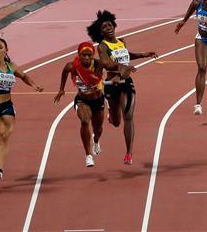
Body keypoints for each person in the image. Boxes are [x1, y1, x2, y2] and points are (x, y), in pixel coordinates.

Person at [89, 10, 155, 165]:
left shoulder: (122, 41)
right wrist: (121, 67)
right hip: (111, 85)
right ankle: (111, 116)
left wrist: (143, 54)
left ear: (114, 25)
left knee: (129, 117)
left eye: (110, 25)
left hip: (126, 83)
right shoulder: (102, 46)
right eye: (104, 27)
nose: (108, 28)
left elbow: (126, 54)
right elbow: (105, 63)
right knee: (117, 122)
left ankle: (129, 153)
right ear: (101, 32)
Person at [0, 39, 43, 180]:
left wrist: (34, 85)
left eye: (0, 47)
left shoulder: (11, 67)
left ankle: (0, 169)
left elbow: (24, 76)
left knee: (4, 135)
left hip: (6, 106)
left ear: (6, 50)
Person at [55, 42, 123, 167]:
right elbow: (64, 72)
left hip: (98, 100)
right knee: (85, 121)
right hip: (82, 100)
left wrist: (119, 76)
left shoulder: (99, 64)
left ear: (93, 55)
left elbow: (114, 67)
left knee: (98, 130)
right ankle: (88, 155)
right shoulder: (71, 66)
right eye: (83, 55)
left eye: (89, 55)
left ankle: (96, 141)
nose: (86, 57)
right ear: (79, 55)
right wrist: (61, 89)